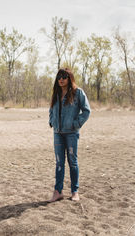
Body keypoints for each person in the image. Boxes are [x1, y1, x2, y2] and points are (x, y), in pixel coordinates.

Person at [49, 68, 90, 202]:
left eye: (64, 76)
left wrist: (76, 124)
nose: (61, 79)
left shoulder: (78, 93)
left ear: (69, 78)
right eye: (59, 76)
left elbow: (86, 111)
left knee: (72, 162)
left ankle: (74, 191)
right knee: (59, 163)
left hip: (71, 133)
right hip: (58, 133)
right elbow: (51, 109)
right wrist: (51, 121)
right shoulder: (56, 93)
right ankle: (58, 191)